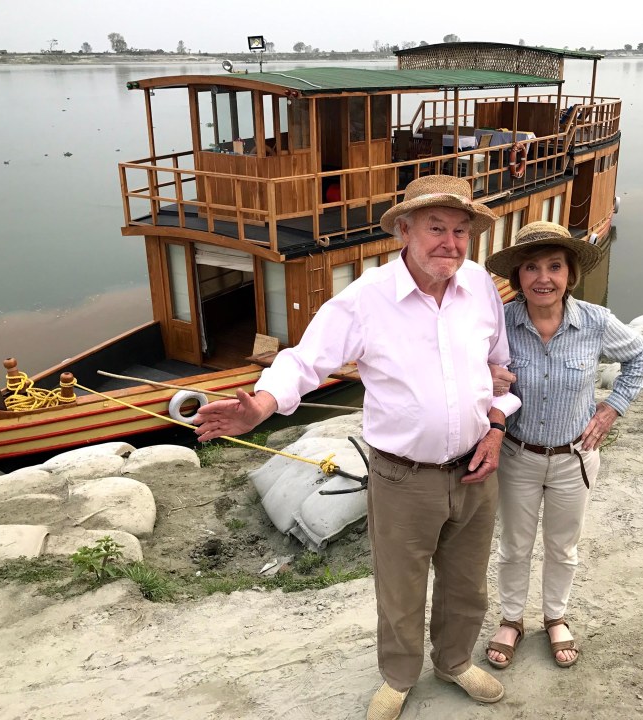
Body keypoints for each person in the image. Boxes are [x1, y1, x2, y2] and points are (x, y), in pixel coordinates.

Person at [192, 175, 521, 720]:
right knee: (400, 587)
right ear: (405, 232)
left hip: (476, 468)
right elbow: (304, 359)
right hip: (402, 476)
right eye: (436, 228)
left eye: (461, 231)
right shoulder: (366, 299)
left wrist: (495, 427)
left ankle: (455, 661)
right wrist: (260, 405)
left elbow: (501, 369)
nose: (451, 243)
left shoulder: (481, 288)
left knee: (467, 581)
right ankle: (398, 676)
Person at [482, 221, 643, 670]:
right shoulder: (499, 323)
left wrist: (612, 407)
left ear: (570, 274)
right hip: (516, 453)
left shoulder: (595, 323)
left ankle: (555, 617)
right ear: (517, 276)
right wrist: (484, 377)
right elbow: (463, 364)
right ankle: (512, 620)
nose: (543, 278)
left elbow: (640, 355)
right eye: (531, 267)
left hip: (573, 458)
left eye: (555, 266)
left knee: (563, 546)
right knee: (515, 545)